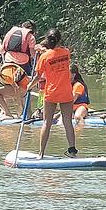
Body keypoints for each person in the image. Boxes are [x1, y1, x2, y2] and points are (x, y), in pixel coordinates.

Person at [30, 28, 81, 159]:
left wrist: (30, 85)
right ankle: (72, 151)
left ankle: (41, 154)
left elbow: (37, 76)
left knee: (46, 122)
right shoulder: (66, 53)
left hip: (51, 92)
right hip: (66, 92)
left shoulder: (44, 57)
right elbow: (57, 52)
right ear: (59, 39)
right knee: (67, 121)